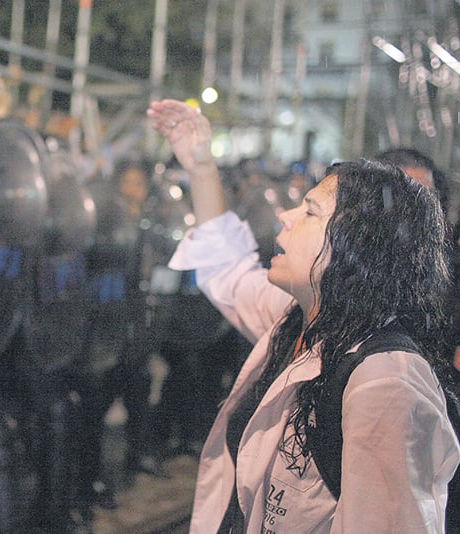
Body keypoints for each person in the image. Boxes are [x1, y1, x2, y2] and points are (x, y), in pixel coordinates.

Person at [148, 98, 460, 532]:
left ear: (357, 245)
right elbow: (227, 269)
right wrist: (201, 164)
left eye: (311, 211)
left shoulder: (386, 383)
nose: (286, 214)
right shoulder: (299, 322)